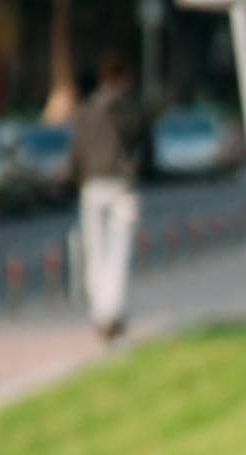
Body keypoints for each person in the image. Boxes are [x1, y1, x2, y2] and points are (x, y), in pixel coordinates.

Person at [70, 50, 146, 341]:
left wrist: (76, 177)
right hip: (120, 185)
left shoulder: (85, 111)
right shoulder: (126, 109)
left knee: (95, 249)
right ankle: (110, 311)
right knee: (118, 249)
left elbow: (76, 150)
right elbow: (140, 137)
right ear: (123, 79)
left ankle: (100, 311)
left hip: (91, 185)